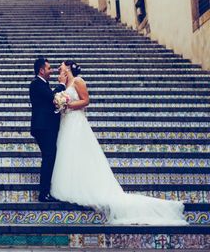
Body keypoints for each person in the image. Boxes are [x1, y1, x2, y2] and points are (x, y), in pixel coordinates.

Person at [51, 61, 188, 225]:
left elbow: (86, 100)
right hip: (66, 123)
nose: (59, 68)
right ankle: (71, 186)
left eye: (62, 65)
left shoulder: (78, 81)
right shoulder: (64, 84)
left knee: (80, 152)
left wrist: (68, 104)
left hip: (76, 122)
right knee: (69, 154)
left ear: (68, 68)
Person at [29, 57, 66, 202]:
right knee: (49, 157)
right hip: (43, 127)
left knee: (49, 157)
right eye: (49, 68)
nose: (51, 71)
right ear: (41, 70)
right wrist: (62, 84)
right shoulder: (36, 84)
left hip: (46, 127)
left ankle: (46, 191)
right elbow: (52, 97)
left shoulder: (43, 83)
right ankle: (44, 193)